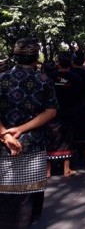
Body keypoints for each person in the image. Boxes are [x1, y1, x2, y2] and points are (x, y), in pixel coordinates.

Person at [0, 38, 58, 227]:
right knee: (28, 198)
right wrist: (21, 129)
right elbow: (51, 111)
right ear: (36, 58)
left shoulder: (2, 79)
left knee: (5, 195)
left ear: (14, 56)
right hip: (33, 145)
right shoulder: (44, 80)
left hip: (5, 146)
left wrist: (6, 134)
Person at [46, 51, 82, 177]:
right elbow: (79, 96)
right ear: (71, 63)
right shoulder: (75, 78)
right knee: (67, 139)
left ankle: (48, 170)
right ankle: (66, 169)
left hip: (51, 113)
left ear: (58, 63)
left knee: (50, 139)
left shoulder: (50, 77)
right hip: (69, 111)